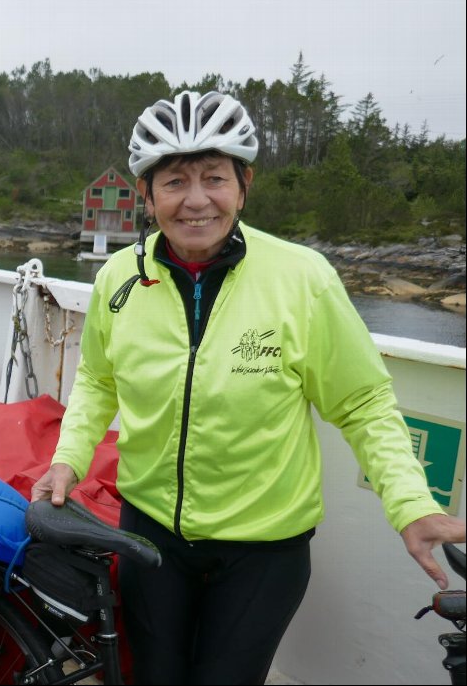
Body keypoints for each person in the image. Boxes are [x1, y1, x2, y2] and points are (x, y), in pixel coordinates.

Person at [30, 90, 466, 685]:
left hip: (265, 549)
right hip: (151, 531)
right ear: (146, 194)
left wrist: (411, 505)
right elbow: (98, 381)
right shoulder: (118, 278)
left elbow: (362, 401)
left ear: (244, 184)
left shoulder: (301, 278)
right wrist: (67, 460)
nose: (196, 200)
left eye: (214, 177)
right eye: (175, 181)